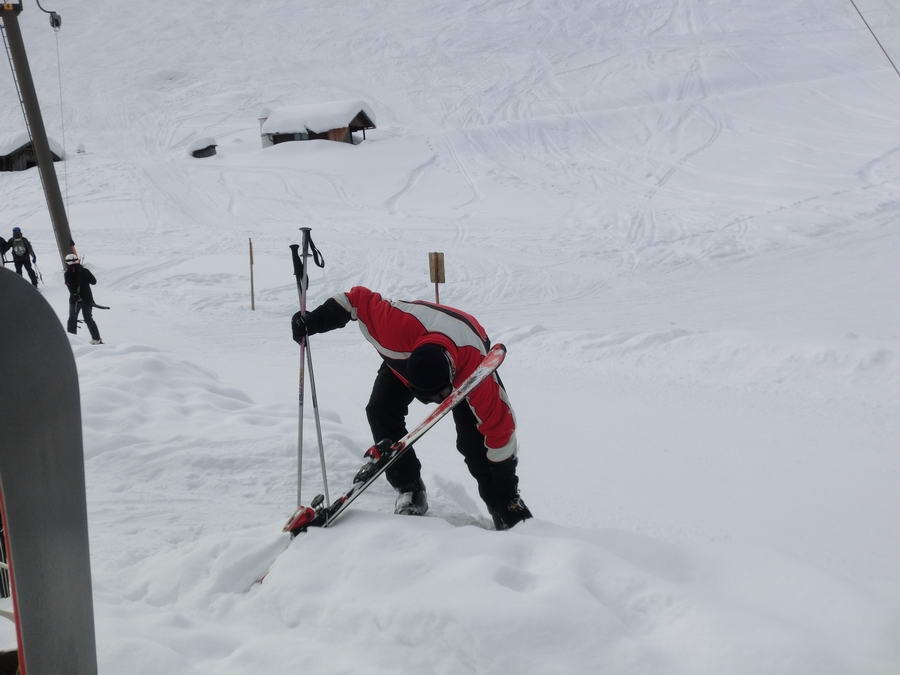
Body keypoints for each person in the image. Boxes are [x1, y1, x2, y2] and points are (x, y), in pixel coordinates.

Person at [291, 286, 532, 530]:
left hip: (463, 343)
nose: (433, 403)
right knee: (380, 410)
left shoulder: (475, 370)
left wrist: (506, 485)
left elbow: (501, 428)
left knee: (474, 443)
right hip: (410, 350)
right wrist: (313, 321)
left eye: (440, 396)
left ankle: (504, 504)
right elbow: (354, 299)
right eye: (426, 397)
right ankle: (410, 488)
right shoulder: (390, 325)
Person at [64, 253, 103, 345]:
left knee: (72, 319)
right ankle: (96, 339)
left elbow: (70, 287)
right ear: (77, 260)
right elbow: (94, 282)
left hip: (75, 300)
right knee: (88, 318)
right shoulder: (85, 271)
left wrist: (76, 295)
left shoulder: (67, 274)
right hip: (88, 299)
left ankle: (71, 342)